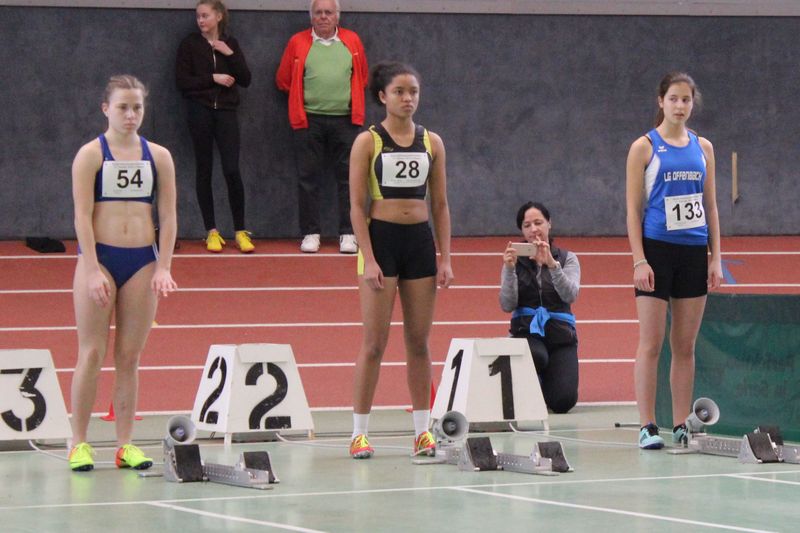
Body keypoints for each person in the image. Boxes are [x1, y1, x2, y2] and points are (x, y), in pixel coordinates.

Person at [69, 75, 178, 471]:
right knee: (92, 353)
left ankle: (125, 445)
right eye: (123, 107)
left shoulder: (159, 157)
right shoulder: (90, 155)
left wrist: (164, 266)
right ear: (106, 109)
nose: (131, 115)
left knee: (129, 356)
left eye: (137, 108)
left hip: (142, 262)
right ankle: (79, 442)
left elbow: (168, 215)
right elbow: (82, 216)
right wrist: (91, 269)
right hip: (99, 259)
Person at [348, 61, 453, 459]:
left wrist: (445, 258)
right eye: (399, 92)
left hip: (419, 243)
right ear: (382, 96)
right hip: (381, 241)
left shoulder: (432, 142)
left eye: (413, 92)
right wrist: (368, 257)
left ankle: (422, 431)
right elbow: (356, 206)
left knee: (419, 342)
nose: (408, 99)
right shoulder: (368, 142)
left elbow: (440, 205)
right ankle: (359, 432)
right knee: (374, 343)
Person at [625, 72, 722, 450]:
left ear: (693, 103)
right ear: (661, 101)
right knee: (651, 343)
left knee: (685, 345)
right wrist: (639, 260)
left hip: (693, 252)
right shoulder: (644, 148)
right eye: (674, 99)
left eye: (686, 100)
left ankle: (682, 423)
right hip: (656, 251)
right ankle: (647, 425)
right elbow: (633, 210)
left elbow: (710, 206)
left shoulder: (704, 147)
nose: (680, 106)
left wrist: (715, 258)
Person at [276, 0, 368, 254]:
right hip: (308, 120)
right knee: (307, 178)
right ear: (311, 17)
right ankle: (310, 233)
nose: (324, 17)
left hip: (346, 121)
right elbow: (283, 80)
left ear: (337, 16)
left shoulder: (353, 41)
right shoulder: (297, 42)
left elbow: (362, 77)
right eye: (318, 13)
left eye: (329, 12)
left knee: (349, 178)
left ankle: (348, 233)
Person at [176, 0, 254, 253]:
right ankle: (211, 231)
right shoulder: (189, 45)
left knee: (232, 169)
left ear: (219, 17)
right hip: (199, 112)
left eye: (205, 16)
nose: (201, 20)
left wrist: (229, 53)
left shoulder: (231, 44)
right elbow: (182, 81)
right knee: (204, 169)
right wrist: (212, 78)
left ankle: (240, 231)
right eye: (198, 16)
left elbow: (246, 79)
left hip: (227, 113)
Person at [499, 202, 580, 414]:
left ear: (549, 224)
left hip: (561, 336)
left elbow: (570, 295)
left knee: (563, 402)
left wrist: (553, 265)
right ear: (521, 231)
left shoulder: (568, 258)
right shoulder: (514, 260)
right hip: (526, 332)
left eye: (538, 223)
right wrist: (509, 270)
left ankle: (545, 383)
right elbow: (507, 304)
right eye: (527, 225)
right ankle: (529, 382)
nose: (534, 229)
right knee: (537, 355)